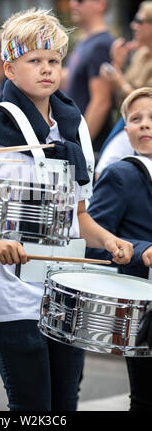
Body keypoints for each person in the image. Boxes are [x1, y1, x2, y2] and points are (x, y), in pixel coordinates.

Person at [0, 8, 133, 411]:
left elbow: (78, 216)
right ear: (9, 69)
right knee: (32, 409)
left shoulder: (72, 126)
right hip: (11, 301)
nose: (46, 69)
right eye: (34, 61)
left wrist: (110, 239)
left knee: (64, 405)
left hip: (64, 295)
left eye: (54, 61)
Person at [87, 87, 152, 411]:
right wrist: (141, 251)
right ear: (125, 131)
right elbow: (91, 243)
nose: (145, 125)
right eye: (136, 119)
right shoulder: (121, 174)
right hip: (144, 308)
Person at [95, 0, 152, 178]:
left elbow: (142, 103)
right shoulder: (141, 54)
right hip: (130, 125)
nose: (133, 25)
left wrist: (119, 80)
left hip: (142, 129)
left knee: (105, 170)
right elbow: (124, 102)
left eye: (139, 21)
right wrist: (117, 66)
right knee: (104, 171)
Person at [63, 0, 115, 158]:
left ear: (100, 4)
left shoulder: (101, 44)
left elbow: (101, 102)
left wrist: (79, 147)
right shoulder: (86, 42)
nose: (72, 4)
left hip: (92, 150)